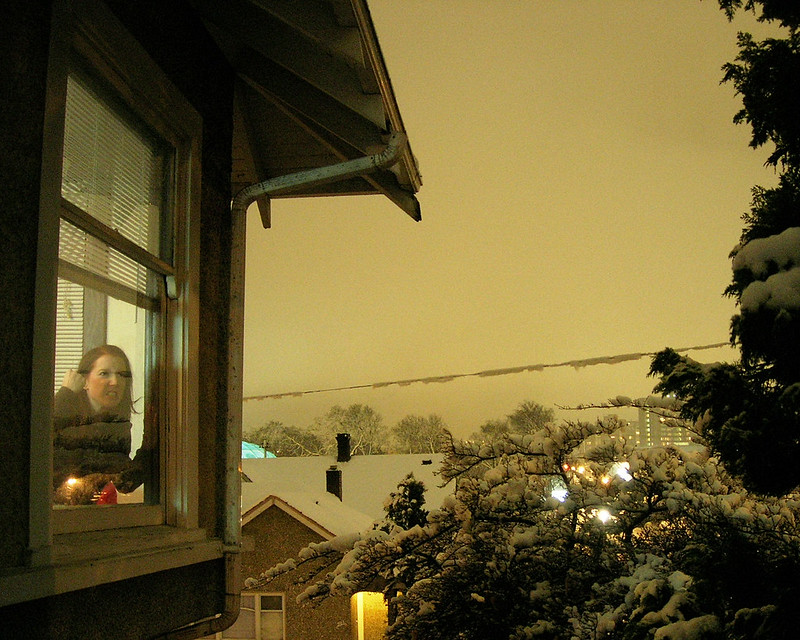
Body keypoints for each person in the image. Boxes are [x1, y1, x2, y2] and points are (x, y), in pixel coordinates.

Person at [53, 344, 146, 505]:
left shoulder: (116, 424)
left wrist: (150, 447)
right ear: (84, 381)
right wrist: (66, 394)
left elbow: (123, 481)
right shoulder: (67, 416)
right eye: (104, 374)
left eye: (121, 375)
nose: (115, 381)